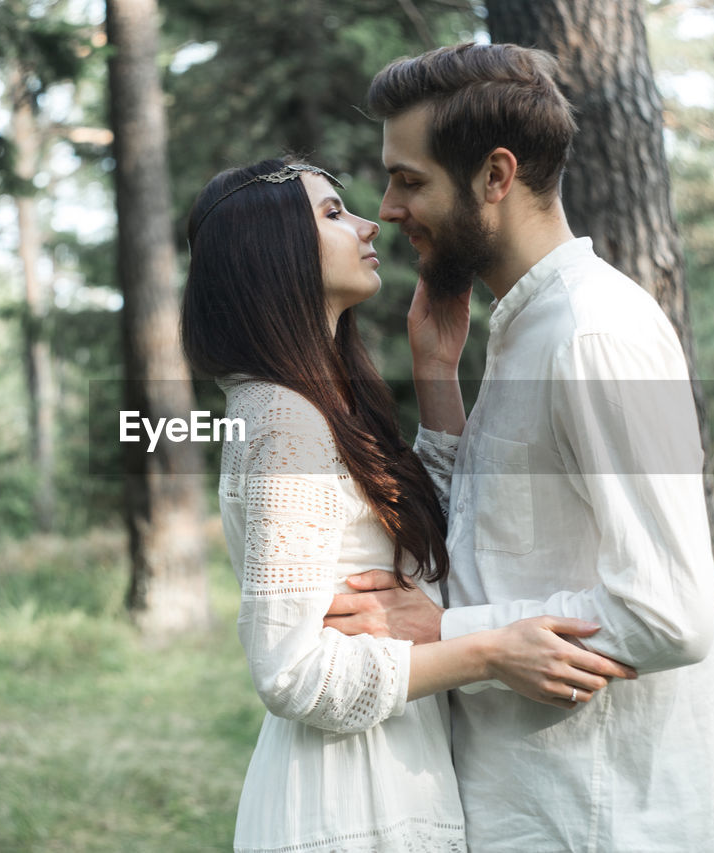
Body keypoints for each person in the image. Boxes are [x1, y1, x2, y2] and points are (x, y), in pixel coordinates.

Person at [324, 43, 714, 851]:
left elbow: (667, 612)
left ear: (495, 176)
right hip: (534, 802)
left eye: (410, 180)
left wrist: (445, 632)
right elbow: (498, 542)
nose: (389, 206)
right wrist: (439, 378)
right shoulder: (526, 328)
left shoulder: (593, 335)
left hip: (602, 817)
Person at [181, 158, 637, 853]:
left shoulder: (314, 402)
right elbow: (291, 670)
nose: (368, 225)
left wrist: (435, 371)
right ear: (270, 254)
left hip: (388, 779)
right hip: (344, 800)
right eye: (333, 214)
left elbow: (420, 548)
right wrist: (489, 651)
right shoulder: (281, 420)